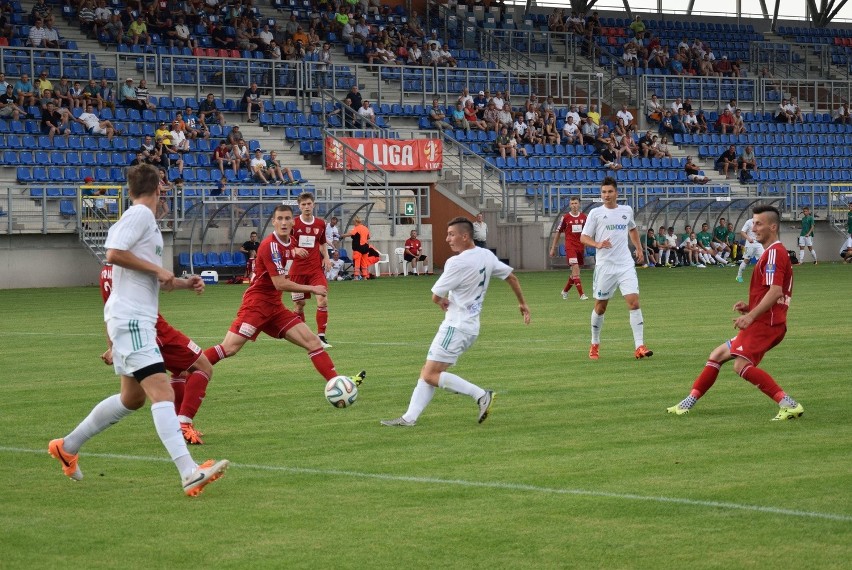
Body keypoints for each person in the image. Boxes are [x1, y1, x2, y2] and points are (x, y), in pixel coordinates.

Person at [48, 164, 228, 496]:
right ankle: (189, 472)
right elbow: (114, 253)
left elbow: (147, 273)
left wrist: (183, 283)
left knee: (132, 399)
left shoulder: (146, 223)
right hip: (132, 319)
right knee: (163, 391)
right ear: (158, 189)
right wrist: (156, 270)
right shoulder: (140, 216)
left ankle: (67, 446)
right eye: (164, 189)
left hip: (133, 318)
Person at [380, 216, 530, 427]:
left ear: (465, 236)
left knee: (431, 374)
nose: (447, 239)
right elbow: (512, 277)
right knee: (429, 371)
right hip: (471, 327)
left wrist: (439, 300)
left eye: (451, 234)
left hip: (455, 326)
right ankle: (409, 418)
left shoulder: (456, 262)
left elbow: (435, 295)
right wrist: (522, 303)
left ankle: (480, 395)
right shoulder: (486, 255)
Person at [202, 204, 365, 385]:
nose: (284, 222)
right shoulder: (270, 246)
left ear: (293, 222)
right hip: (256, 305)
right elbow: (279, 284)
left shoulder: (291, 242)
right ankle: (187, 370)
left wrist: (298, 252)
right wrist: (312, 288)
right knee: (230, 348)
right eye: (279, 219)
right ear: (273, 222)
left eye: (287, 218)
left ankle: (337, 384)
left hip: (275, 307)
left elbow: (290, 250)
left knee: (313, 342)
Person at [667, 205, 804, 421]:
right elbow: (775, 294)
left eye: (758, 224)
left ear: (773, 226)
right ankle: (687, 403)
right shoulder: (773, 253)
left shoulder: (774, 254)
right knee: (717, 355)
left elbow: (776, 291)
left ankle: (788, 403)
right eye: (753, 224)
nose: (754, 228)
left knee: (741, 365)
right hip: (766, 319)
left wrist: (750, 316)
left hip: (766, 323)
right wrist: (750, 307)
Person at [99, 264, 211, 444]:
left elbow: (109, 310)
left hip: (129, 332)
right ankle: (183, 424)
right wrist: (188, 283)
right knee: (203, 367)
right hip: (151, 329)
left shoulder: (107, 270)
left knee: (135, 397)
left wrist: (113, 345)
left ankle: (177, 424)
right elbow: (165, 282)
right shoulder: (135, 261)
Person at [580, 177, 653, 360]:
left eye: (610, 192)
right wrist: (597, 244)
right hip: (605, 266)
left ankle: (639, 346)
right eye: (604, 192)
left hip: (625, 264)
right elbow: (583, 237)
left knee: (634, 302)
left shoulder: (626, 210)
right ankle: (595, 343)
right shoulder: (595, 213)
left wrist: (638, 248)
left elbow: (632, 229)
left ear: (616, 193)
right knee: (601, 307)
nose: (606, 195)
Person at [290, 193, 333, 348]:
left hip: (315, 270)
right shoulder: (293, 224)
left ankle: (321, 336)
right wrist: (294, 250)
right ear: (299, 206)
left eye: (309, 204)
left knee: (322, 299)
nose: (306, 207)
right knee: (299, 305)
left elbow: (322, 244)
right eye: (303, 205)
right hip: (297, 271)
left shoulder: (321, 224)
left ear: (313, 204)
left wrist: (326, 257)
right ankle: (303, 337)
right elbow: (285, 244)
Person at [549, 196, 588, 300]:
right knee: (575, 267)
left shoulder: (584, 217)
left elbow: (587, 232)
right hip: (570, 247)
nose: (574, 205)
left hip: (580, 247)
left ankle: (565, 291)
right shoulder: (565, 218)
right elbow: (558, 233)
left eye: (575, 203)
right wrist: (553, 248)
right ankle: (582, 295)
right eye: (572, 203)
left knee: (575, 272)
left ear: (579, 204)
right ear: (569, 205)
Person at [341, 215, 375, 281]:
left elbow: (350, 234)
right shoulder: (366, 228)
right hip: (365, 247)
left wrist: (342, 235)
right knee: (364, 263)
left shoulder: (356, 228)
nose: (354, 224)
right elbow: (368, 237)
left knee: (357, 262)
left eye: (354, 223)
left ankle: (356, 277)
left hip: (358, 248)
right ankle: (365, 276)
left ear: (356, 222)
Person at [736, 214, 765, 283]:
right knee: (747, 260)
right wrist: (748, 238)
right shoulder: (749, 222)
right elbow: (742, 232)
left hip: (759, 244)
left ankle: (762, 277)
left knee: (764, 260)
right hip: (750, 244)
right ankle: (739, 276)